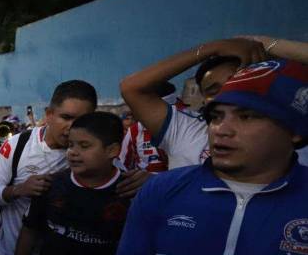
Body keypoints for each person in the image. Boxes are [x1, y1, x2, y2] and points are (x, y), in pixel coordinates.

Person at [112, 59, 308, 255]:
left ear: (295, 130)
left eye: (246, 116)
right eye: (216, 116)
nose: (221, 130)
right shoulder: (161, 191)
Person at [0, 81, 148, 255]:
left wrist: (148, 181)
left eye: (82, 120)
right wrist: (18, 190)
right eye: (66, 117)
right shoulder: (17, 145)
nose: (73, 127)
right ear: (49, 115)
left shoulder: (107, 164)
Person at [120, 37, 308, 169]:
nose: (229, 94)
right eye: (214, 90)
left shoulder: (287, 133)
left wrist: (264, 43)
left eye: (236, 83)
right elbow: (133, 87)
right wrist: (213, 47)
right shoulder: (185, 129)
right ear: (203, 99)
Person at [13, 112, 131, 255]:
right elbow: (29, 230)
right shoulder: (52, 185)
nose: (73, 152)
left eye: (84, 146)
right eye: (70, 145)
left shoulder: (129, 192)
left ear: (112, 150)